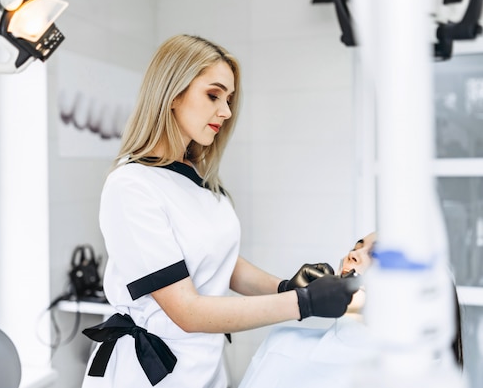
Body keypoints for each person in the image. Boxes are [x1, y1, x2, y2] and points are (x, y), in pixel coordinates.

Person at [79, 34, 358, 388]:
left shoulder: (197, 178)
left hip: (204, 365)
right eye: (213, 95)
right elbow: (187, 311)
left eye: (228, 99)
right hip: (149, 375)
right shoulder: (132, 186)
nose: (225, 112)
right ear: (172, 94)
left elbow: (220, 262)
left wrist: (286, 286)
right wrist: (302, 303)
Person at [238, 232, 464, 388]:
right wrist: (290, 292)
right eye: (357, 247)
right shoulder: (281, 344)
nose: (352, 255)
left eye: (375, 254)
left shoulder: (421, 378)